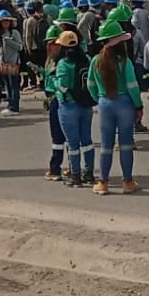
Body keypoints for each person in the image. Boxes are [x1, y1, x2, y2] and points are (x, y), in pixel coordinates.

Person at [86, 20, 139, 195]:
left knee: (106, 145)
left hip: (105, 104)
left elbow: (90, 85)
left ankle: (103, 183)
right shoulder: (124, 62)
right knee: (126, 145)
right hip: (124, 104)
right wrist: (138, 105)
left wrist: (99, 98)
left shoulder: (95, 61)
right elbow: (132, 86)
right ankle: (128, 181)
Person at [53, 31, 96, 187]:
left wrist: (54, 81)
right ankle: (89, 172)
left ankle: (75, 175)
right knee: (87, 141)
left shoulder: (63, 64)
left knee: (72, 143)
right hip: (86, 104)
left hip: (68, 105)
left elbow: (63, 86)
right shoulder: (87, 59)